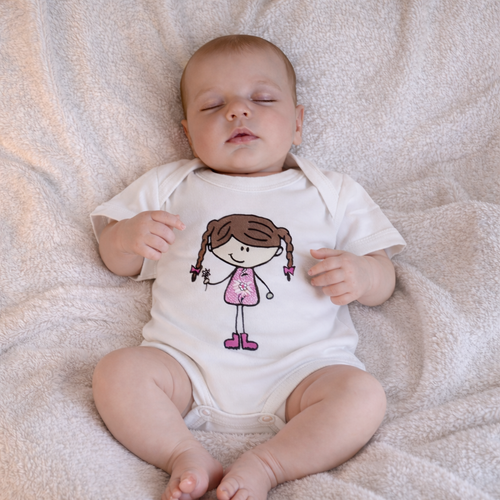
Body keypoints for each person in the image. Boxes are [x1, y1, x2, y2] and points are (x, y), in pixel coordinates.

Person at [90, 34, 406, 500]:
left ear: (297, 123)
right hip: (185, 367)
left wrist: (363, 275)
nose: (238, 111)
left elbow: (384, 278)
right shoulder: (169, 186)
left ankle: (268, 465)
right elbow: (116, 259)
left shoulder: (332, 192)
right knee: (116, 372)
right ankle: (182, 453)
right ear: (187, 134)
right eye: (212, 105)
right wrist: (126, 237)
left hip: (304, 372)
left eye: (262, 99)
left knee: (362, 396)